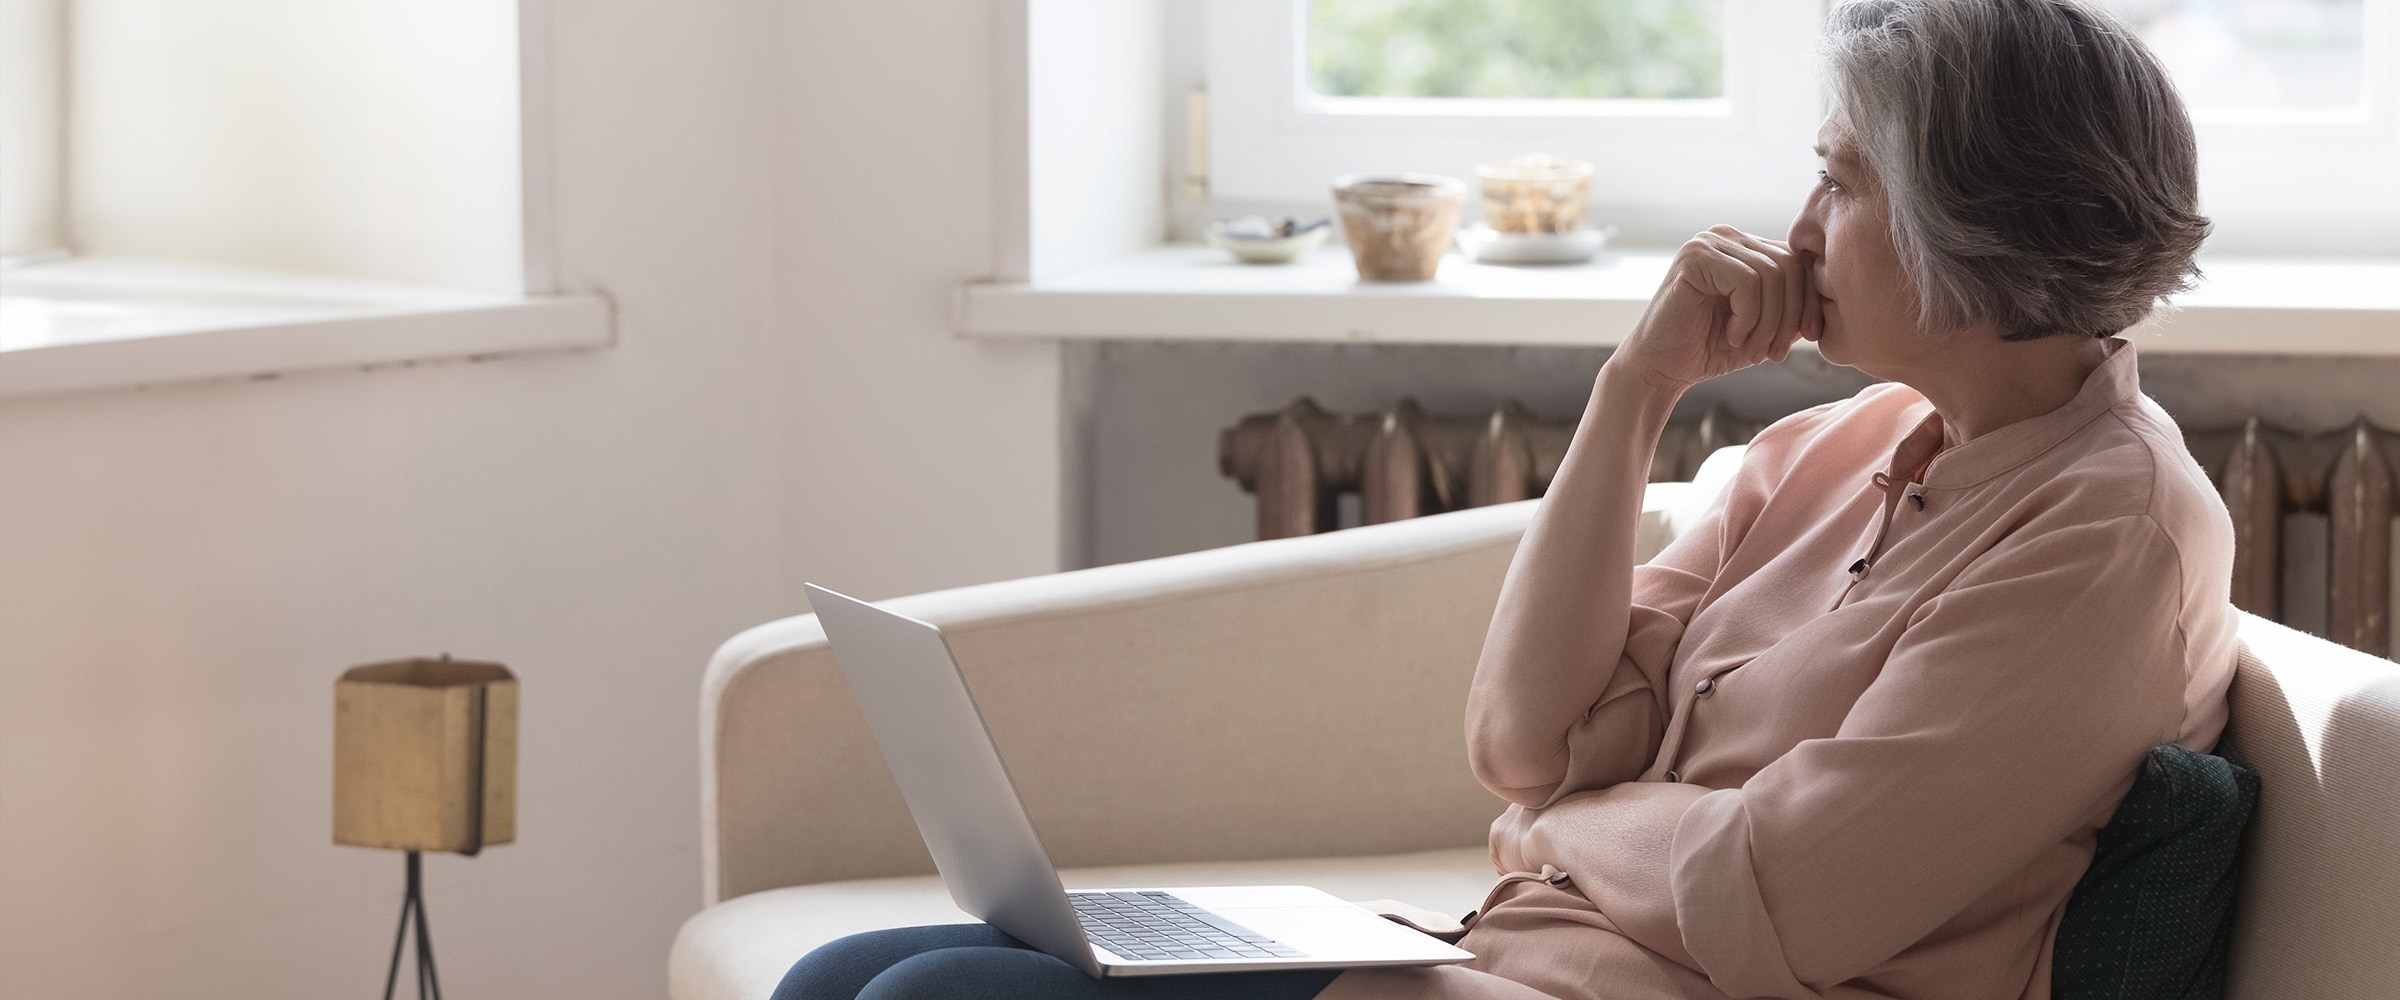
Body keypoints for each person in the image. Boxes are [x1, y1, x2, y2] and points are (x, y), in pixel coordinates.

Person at [775, 1, 2234, 998]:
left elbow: (1784, 899)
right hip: (1502, 961)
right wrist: (1633, 392)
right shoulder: (1836, 452)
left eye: (1844, 187)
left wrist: (1559, 835)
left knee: (928, 993)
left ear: (1967, 233)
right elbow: (1525, 738)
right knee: (839, 977)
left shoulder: (2108, 541)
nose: (1797, 231)